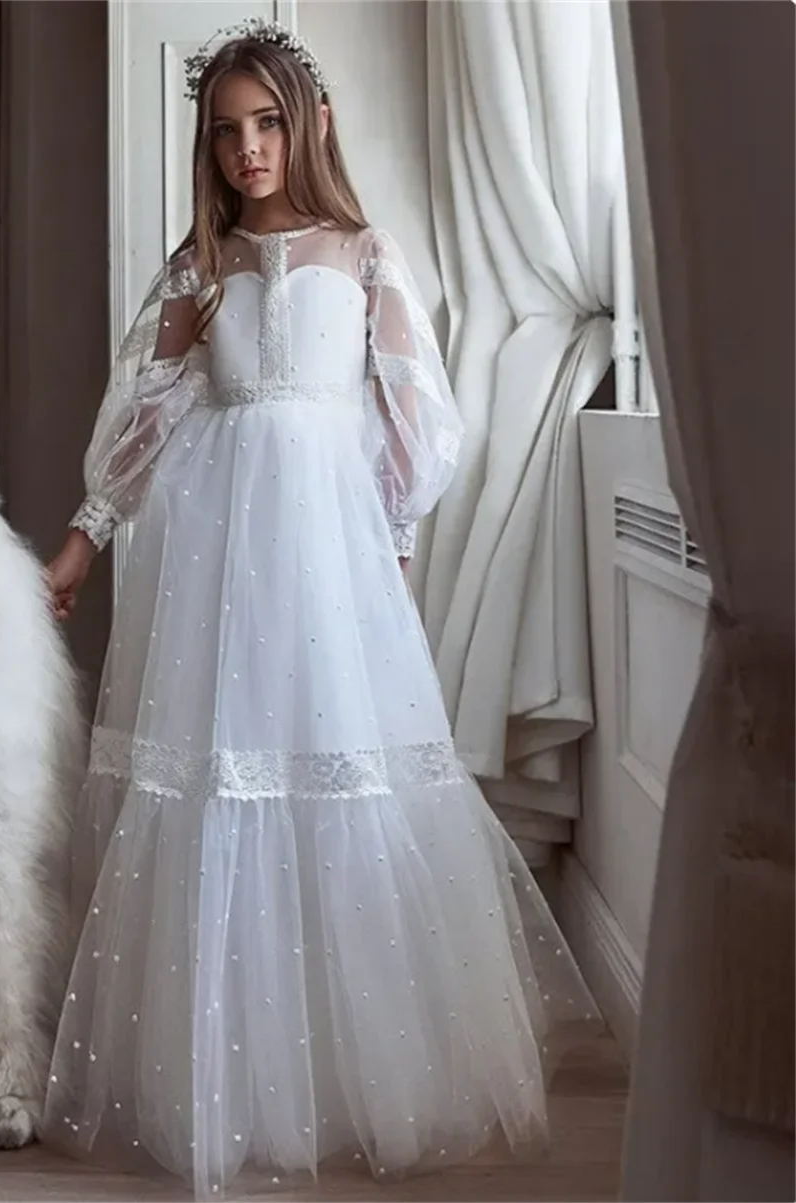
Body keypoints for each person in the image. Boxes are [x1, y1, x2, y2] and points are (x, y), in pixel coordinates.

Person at [42, 18, 600, 1201]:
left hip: (330, 563)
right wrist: (85, 538)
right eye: (228, 131)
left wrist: (393, 546)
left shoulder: (364, 255)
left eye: (269, 123)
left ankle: (360, 1068)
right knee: (220, 777)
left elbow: (414, 422)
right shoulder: (201, 267)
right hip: (218, 563)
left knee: (338, 768)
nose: (249, 149)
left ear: (312, 123)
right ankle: (227, 1077)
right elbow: (143, 418)